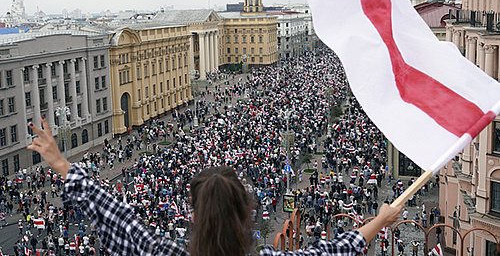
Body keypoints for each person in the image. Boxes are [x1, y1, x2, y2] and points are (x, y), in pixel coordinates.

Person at [27, 117, 403, 255]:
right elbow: (336, 250)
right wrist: (380, 221)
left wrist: (61, 164)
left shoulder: (159, 252)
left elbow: (116, 216)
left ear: (193, 213)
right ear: (246, 211)